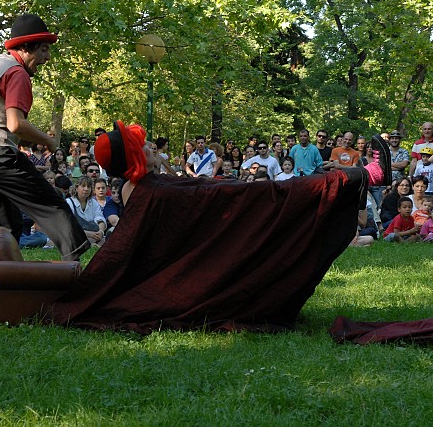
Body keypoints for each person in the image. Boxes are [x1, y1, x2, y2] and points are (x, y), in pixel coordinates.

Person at [28, 121, 391, 333]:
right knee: (282, 196)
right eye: (146, 146)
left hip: (215, 212)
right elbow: (186, 206)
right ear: (137, 157)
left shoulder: (146, 186)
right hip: (211, 233)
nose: (153, 148)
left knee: (281, 193)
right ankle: (365, 176)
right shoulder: (151, 191)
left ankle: (357, 178)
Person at [0, 13, 89, 269]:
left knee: (6, 226)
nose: (47, 57)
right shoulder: (17, 73)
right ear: (27, 48)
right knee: (53, 207)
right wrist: (49, 142)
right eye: (44, 49)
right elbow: (15, 124)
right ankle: (74, 275)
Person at [66, 176, 106, 246]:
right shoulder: (69, 203)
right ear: (77, 188)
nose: (86, 189)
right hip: (75, 236)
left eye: (89, 187)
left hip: (94, 235)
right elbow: (68, 227)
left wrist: (101, 232)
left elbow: (100, 218)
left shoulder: (94, 202)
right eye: (83, 186)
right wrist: (89, 234)